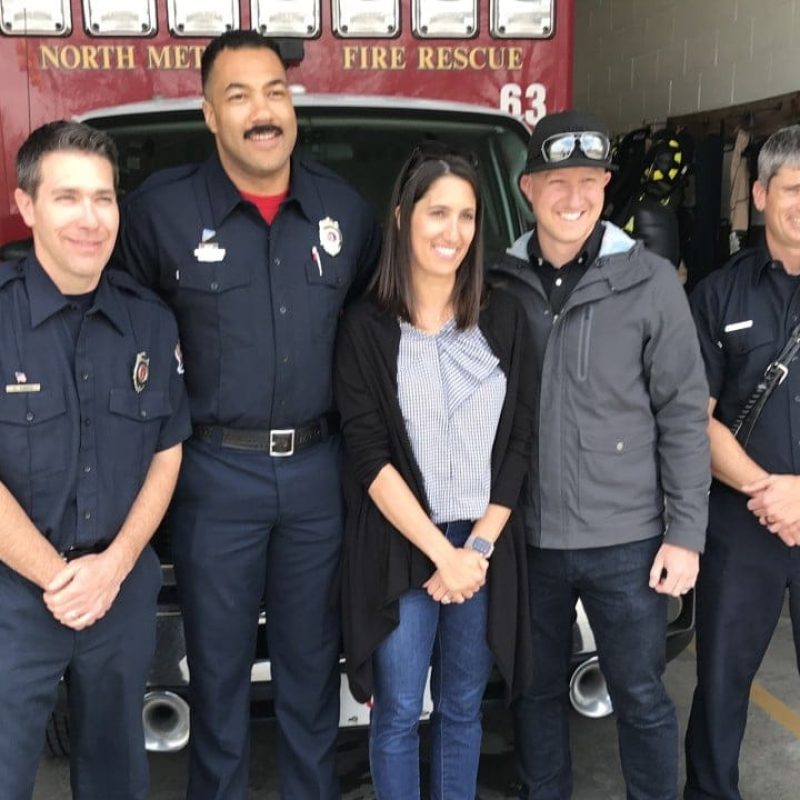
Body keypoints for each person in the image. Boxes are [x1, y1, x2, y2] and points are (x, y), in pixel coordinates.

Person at [116, 30, 380, 800]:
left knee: (309, 681)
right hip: (211, 475)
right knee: (220, 685)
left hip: (317, 477)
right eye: (238, 96)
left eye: (273, 92)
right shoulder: (157, 214)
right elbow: (122, 336)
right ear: (209, 113)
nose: (261, 112)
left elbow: (374, 338)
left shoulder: (345, 211)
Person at [489, 110, 711, 800]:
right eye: (558, 181)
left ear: (607, 185)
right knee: (535, 696)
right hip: (527, 539)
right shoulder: (495, 281)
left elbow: (682, 413)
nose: (574, 196)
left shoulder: (649, 282)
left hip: (628, 541)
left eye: (589, 180)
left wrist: (686, 534)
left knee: (640, 696)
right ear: (528, 188)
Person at [334, 143, 534, 800]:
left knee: (462, 708)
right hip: (401, 548)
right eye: (436, 212)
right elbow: (368, 454)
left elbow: (518, 444)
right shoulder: (366, 325)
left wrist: (474, 548)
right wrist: (438, 555)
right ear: (401, 217)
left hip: (482, 550)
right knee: (395, 713)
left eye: (467, 216)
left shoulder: (503, 316)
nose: (452, 232)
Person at [0, 121, 190, 799]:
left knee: (118, 776)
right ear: (27, 205)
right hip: (13, 593)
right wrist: (59, 579)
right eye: (67, 197)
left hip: (118, 586)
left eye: (103, 198)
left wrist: (112, 568)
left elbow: (167, 452)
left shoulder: (149, 321)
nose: (90, 218)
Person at [684, 124, 800, 800]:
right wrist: (769, 492)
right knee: (722, 684)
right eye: (792, 189)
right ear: (759, 195)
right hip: (740, 524)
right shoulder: (716, 296)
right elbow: (692, 421)